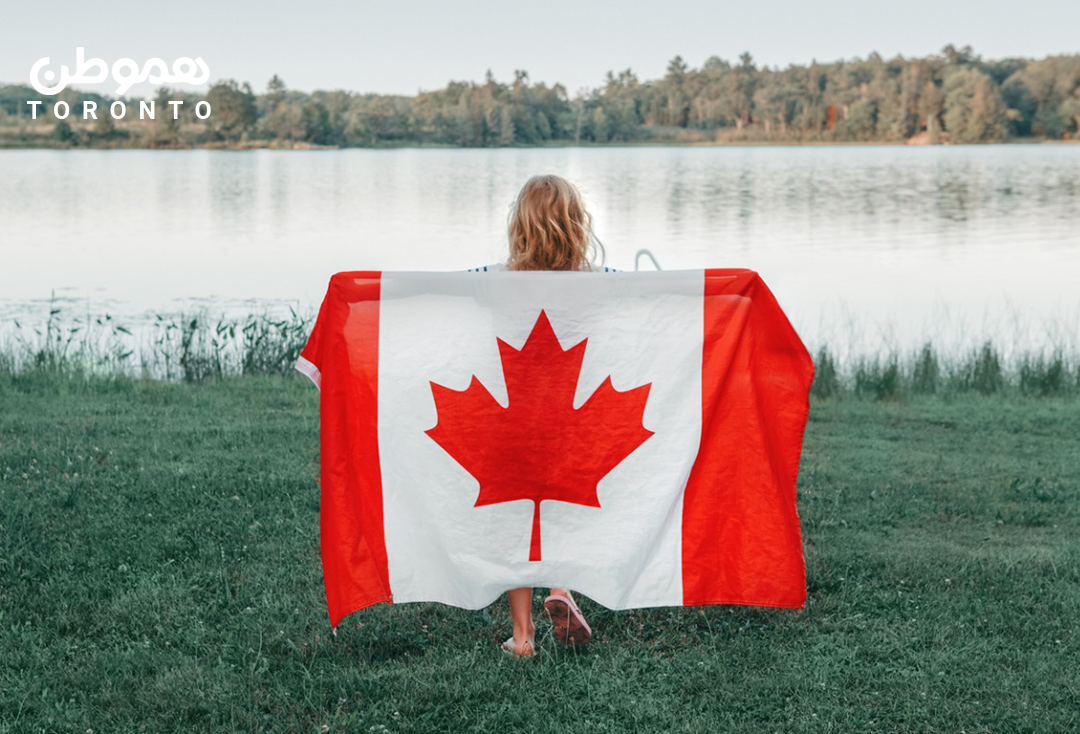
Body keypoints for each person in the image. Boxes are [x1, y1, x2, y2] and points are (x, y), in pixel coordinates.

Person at [469, 174, 613, 657]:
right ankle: (560, 588)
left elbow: (437, 293)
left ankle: (524, 637)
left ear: (520, 225)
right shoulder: (596, 285)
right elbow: (648, 304)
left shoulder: (492, 279)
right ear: (576, 224)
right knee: (561, 512)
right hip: (569, 428)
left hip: (510, 428)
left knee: (516, 522)